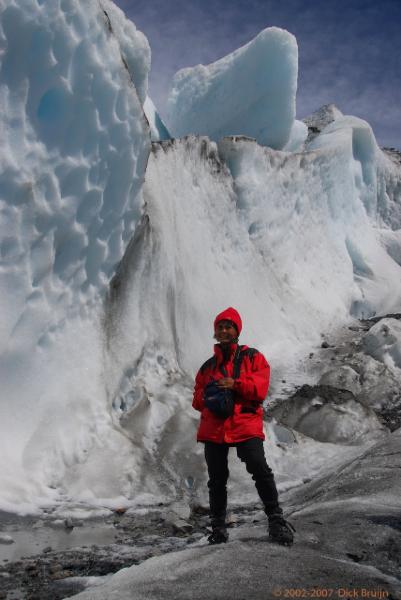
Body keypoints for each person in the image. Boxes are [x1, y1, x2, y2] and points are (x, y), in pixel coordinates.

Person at [192, 307, 295, 546]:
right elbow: (197, 400)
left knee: (259, 467)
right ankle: (218, 528)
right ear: (215, 333)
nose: (224, 330)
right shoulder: (207, 368)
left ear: (237, 330)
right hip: (215, 428)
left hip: (245, 422)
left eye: (229, 326)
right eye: (220, 327)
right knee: (216, 479)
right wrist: (209, 395)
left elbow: (260, 387)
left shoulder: (253, 357)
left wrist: (235, 384)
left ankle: (276, 519)